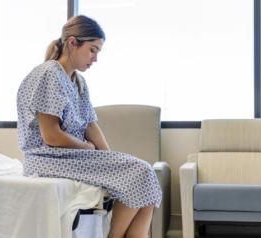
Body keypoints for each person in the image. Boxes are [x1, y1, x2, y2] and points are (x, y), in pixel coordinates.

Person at [16, 15, 162, 238]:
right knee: (140, 171)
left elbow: (90, 124)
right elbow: (51, 136)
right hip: (47, 157)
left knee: (146, 183)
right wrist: (88, 149)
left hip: (71, 155)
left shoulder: (77, 81)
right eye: (92, 50)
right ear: (73, 43)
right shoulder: (48, 75)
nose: (95, 58)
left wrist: (110, 158)